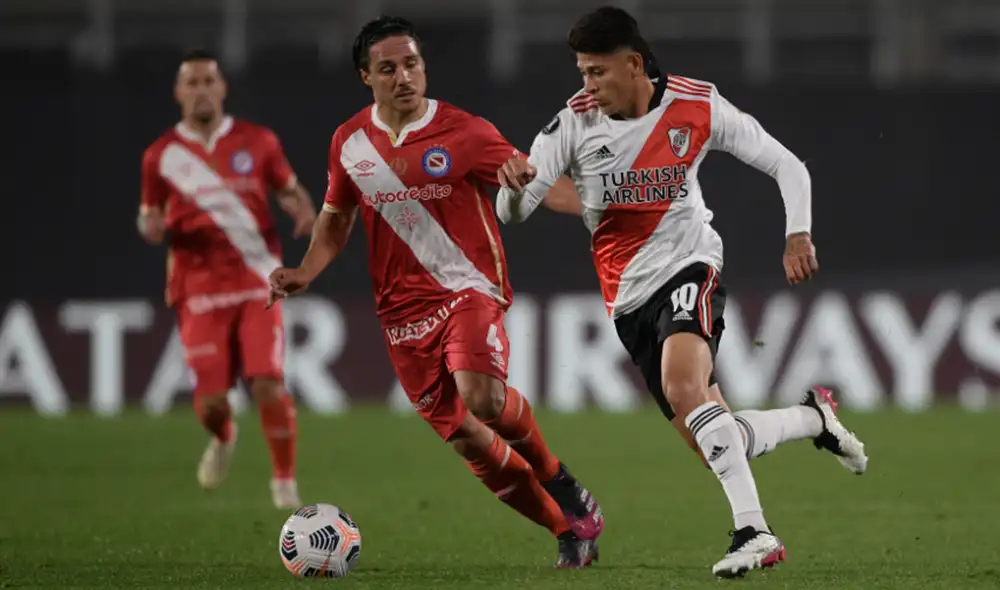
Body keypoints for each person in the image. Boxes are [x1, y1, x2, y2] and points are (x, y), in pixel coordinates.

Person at [495, 6, 868, 578]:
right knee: (717, 440)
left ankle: (756, 533)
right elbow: (513, 211)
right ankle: (812, 419)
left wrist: (798, 234)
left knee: (683, 385)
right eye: (582, 74)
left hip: (691, 264)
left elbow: (786, 165)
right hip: (626, 300)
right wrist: (514, 187)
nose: (586, 87)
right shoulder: (571, 124)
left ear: (633, 64)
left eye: (597, 73)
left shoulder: (696, 104)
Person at [266, 16, 602, 568]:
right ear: (365, 77)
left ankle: (560, 482)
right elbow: (335, 218)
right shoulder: (349, 143)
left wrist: (593, 208)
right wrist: (306, 270)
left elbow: (532, 180)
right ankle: (567, 528)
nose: (404, 76)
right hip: (400, 311)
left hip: (470, 287)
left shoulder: (465, 131)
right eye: (389, 68)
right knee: (469, 439)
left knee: (482, 397)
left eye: (412, 63)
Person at [138, 49, 316, 509]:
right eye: (191, 82)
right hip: (198, 287)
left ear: (222, 88)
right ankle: (224, 435)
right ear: (179, 93)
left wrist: (302, 209)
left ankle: (284, 482)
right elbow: (148, 216)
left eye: (208, 81)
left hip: (259, 279)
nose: (201, 90)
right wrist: (151, 228)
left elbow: (289, 189)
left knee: (268, 384)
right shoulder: (161, 156)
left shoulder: (258, 141)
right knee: (213, 401)